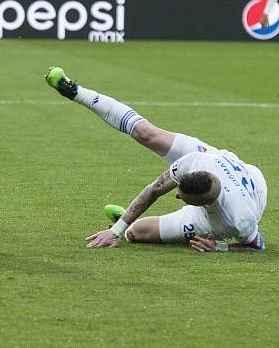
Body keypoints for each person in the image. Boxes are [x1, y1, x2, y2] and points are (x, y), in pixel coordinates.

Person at [44, 67, 266, 253]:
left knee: (136, 233)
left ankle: (131, 219)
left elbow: (257, 246)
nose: (177, 195)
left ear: (204, 204)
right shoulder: (197, 161)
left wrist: (218, 247)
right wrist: (115, 231)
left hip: (243, 200)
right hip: (219, 162)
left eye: (183, 196)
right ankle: (74, 91)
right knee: (147, 134)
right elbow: (155, 189)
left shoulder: (240, 220)